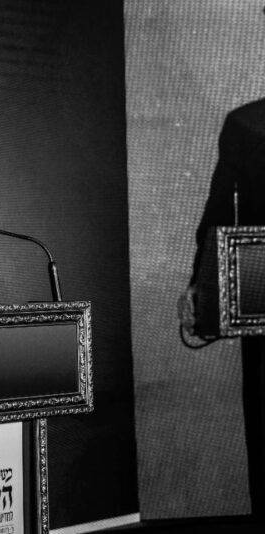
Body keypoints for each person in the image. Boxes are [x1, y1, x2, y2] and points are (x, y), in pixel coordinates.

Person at [182, 98, 265, 520]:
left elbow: (218, 212)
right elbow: (219, 213)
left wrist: (199, 285)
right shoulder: (246, 123)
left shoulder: (248, 123)